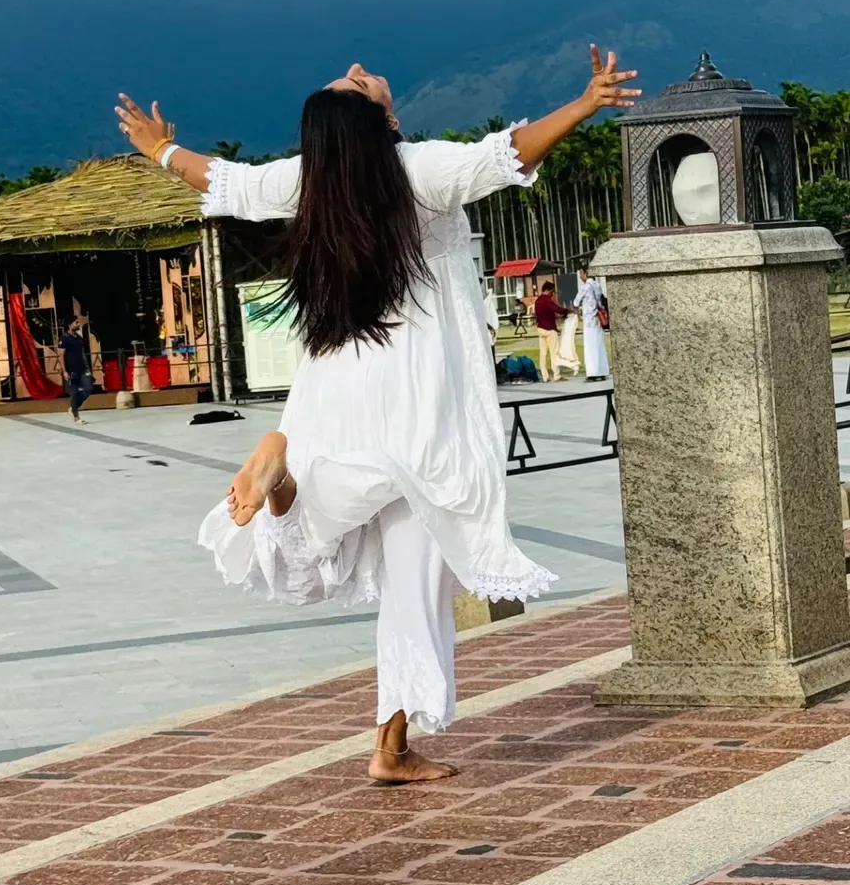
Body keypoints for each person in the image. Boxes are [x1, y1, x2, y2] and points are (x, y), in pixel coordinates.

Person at [115, 46, 640, 782]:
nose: (360, 65)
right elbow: (507, 154)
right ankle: (391, 746)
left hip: (332, 384)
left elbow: (224, 181)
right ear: (377, 116)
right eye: (355, 82)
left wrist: (161, 148)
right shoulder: (417, 170)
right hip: (420, 389)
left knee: (332, 526)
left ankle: (287, 479)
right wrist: (584, 104)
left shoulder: (308, 180)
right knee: (419, 575)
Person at [575, 265, 610, 381]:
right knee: (599, 346)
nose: (580, 276)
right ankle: (602, 370)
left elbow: (576, 302)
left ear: (585, 273)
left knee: (590, 347)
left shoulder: (585, 287)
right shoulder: (597, 285)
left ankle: (592, 373)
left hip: (589, 321)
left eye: (581, 273)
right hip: (598, 320)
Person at [59, 315, 93, 424]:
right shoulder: (64, 338)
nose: (78, 325)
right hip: (71, 370)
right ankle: (76, 417)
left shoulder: (79, 338)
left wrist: (88, 368)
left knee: (88, 388)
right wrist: (64, 371)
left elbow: (83, 354)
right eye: (76, 323)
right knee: (74, 392)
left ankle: (73, 406)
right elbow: (61, 356)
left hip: (82, 369)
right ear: (70, 325)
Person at [533, 281, 568, 383]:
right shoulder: (547, 300)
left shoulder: (538, 301)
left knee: (543, 353)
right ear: (548, 290)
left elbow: (542, 314)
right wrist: (566, 310)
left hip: (540, 329)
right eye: (552, 291)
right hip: (550, 329)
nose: (553, 294)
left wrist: (554, 316)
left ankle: (545, 376)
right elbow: (556, 308)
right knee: (554, 352)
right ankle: (556, 375)